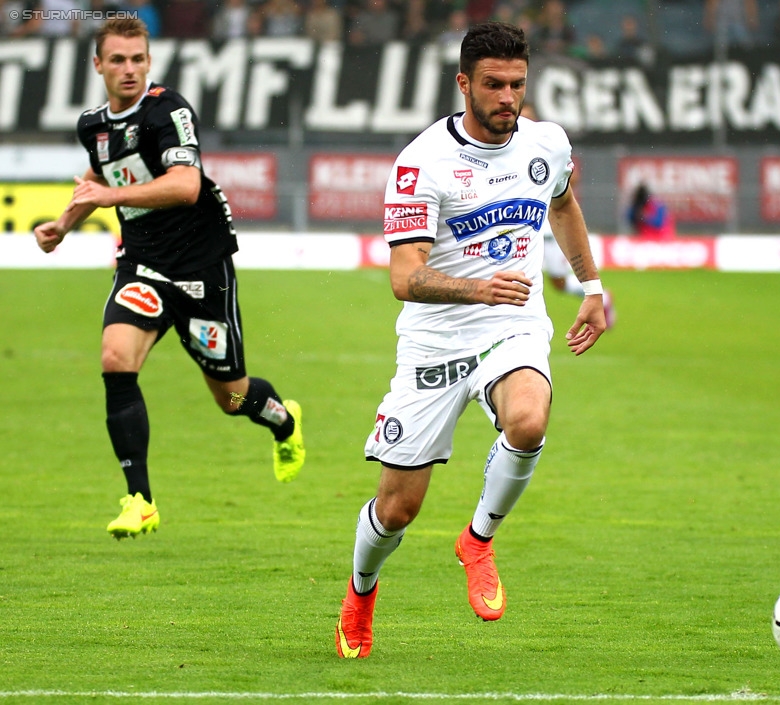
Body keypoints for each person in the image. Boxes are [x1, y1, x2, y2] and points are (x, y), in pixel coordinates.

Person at [334, 21, 607, 659]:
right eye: (493, 85)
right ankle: (360, 592)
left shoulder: (546, 144)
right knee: (398, 509)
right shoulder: (421, 164)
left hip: (512, 324)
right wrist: (476, 290)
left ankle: (478, 540)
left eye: (517, 83)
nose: (507, 96)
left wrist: (590, 285)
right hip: (434, 342)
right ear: (464, 84)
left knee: (529, 420)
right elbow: (404, 278)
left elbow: (562, 204)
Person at [33, 18, 306, 539]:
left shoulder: (169, 111)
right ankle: (140, 499)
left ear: (149, 61)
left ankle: (284, 421)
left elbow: (184, 185)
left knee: (231, 397)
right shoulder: (93, 124)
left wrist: (106, 199)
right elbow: (98, 176)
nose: (129, 69)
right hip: (143, 263)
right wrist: (63, 225)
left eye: (137, 58)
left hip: (202, 268)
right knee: (116, 358)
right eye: (117, 60)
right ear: (98, 65)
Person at [521, 102, 615, 328]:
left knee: (558, 283)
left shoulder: (547, 147)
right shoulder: (505, 149)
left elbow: (571, 179)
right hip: (520, 229)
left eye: (528, 117)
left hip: (548, 229)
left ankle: (602, 298)